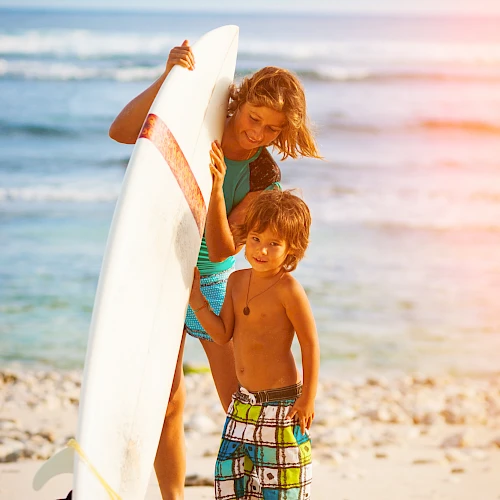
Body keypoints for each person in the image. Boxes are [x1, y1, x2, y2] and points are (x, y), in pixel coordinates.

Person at [109, 40, 321, 500]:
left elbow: (227, 247)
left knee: (240, 404)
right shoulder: (191, 126)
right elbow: (121, 131)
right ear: (237, 101)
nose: (258, 133)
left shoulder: (264, 177)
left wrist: (216, 189)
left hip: (209, 282)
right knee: (166, 403)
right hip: (161, 274)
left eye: (272, 129)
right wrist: (169, 81)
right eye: (253, 119)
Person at [189, 189, 319, 500]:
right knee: (232, 483)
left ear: (291, 249)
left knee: (283, 488)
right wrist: (197, 302)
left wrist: (307, 400)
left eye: (274, 244)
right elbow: (221, 335)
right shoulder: (235, 281)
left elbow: (310, 344)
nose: (261, 250)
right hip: (243, 404)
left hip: (282, 404)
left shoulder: (289, 290)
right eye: (257, 239)